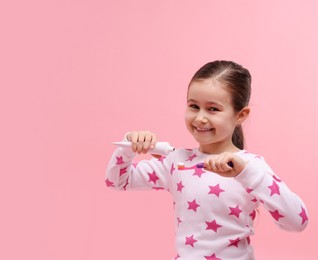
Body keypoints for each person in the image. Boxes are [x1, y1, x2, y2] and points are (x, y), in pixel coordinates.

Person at [105, 60, 308, 259]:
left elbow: (297, 222)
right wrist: (128, 146)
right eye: (194, 106)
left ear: (241, 115)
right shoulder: (176, 162)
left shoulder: (250, 167)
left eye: (213, 109)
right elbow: (116, 181)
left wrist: (248, 175)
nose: (200, 118)